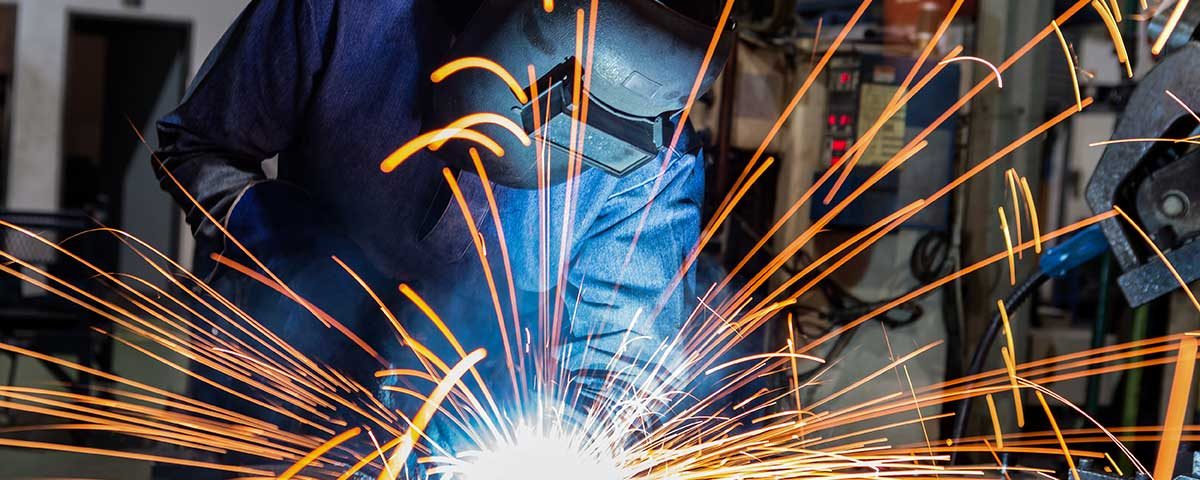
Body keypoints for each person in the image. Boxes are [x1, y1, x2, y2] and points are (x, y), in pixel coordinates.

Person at [154, 0, 728, 464]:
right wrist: (294, 262)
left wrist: (571, 438)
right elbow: (198, 146)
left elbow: (622, 364)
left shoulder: (654, 159)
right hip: (280, 404)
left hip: (468, 440)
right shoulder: (348, 13)